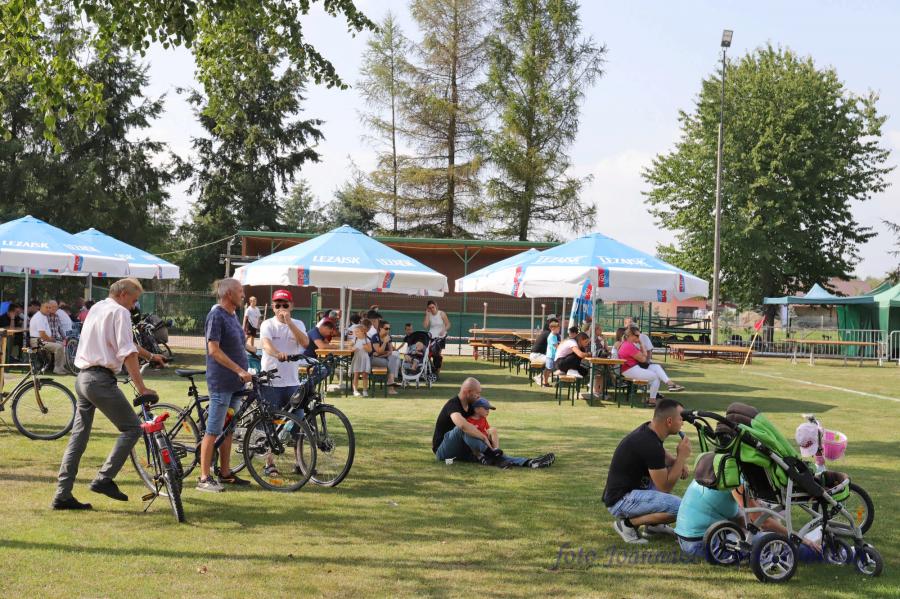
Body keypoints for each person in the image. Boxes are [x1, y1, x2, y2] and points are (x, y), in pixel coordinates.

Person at [52, 278, 165, 510]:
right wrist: (142, 388)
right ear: (123, 294)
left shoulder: (97, 308)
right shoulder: (120, 312)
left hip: (83, 378)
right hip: (100, 380)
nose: (134, 306)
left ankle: (62, 495)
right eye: (133, 300)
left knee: (78, 439)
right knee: (133, 428)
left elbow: (126, 344)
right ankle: (104, 479)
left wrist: (151, 356)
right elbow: (127, 352)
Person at [602, 398, 690, 544]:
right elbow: (665, 487)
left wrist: (676, 463)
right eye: (681, 419)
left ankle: (654, 526)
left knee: (670, 472)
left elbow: (662, 457)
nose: (683, 423)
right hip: (621, 499)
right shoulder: (649, 443)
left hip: (627, 492)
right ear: (669, 421)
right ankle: (627, 525)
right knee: (680, 507)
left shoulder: (649, 431)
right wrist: (681, 457)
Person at [675, 480, 822, 561]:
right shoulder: (735, 480)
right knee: (792, 547)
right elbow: (763, 522)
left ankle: (816, 538)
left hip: (687, 540)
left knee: (768, 537)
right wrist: (799, 538)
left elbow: (743, 518)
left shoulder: (717, 468)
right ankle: (824, 550)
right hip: (703, 544)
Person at [198, 278, 253, 492]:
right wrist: (239, 370)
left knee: (229, 429)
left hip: (236, 384)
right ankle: (204, 477)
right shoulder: (216, 315)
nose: (243, 295)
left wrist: (261, 353)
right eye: (240, 291)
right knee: (213, 429)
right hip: (222, 382)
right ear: (229, 294)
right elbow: (214, 350)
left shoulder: (233, 315)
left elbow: (239, 345)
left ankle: (225, 472)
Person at [432, 378, 555, 469]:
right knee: (463, 429)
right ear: (468, 392)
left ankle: (530, 462)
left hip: (463, 451)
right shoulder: (453, 405)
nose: (479, 396)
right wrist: (484, 438)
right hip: (444, 452)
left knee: (492, 455)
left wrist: (490, 436)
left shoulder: (470, 407)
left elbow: (480, 423)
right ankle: (492, 453)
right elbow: (463, 426)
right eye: (477, 393)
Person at [259, 289, 309, 410]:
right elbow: (266, 345)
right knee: (271, 418)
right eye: (278, 305)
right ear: (273, 307)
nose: (281, 308)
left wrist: (289, 323)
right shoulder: (267, 324)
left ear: (291, 306)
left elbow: (305, 343)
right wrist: (278, 354)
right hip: (271, 382)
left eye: (285, 305)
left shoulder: (298, 324)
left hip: (293, 382)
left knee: (297, 418)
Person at [618, 324, 684, 405]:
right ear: (630, 335)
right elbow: (643, 359)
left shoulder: (628, 344)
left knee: (656, 367)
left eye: (639, 335)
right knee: (656, 376)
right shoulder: (628, 346)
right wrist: (642, 344)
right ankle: (652, 400)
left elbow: (644, 357)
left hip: (632, 368)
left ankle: (670, 384)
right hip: (630, 370)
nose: (639, 337)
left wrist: (641, 346)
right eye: (637, 336)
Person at [29, 300, 68, 375]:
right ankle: (57, 369)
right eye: (46, 307)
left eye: (49, 308)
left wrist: (52, 339)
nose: (48, 309)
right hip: (38, 341)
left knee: (62, 345)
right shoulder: (39, 317)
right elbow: (42, 334)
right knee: (59, 347)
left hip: (42, 340)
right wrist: (51, 340)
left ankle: (62, 367)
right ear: (41, 307)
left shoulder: (43, 316)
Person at [370, 320, 401, 394]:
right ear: (380, 328)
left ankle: (390, 382)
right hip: (374, 359)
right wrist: (384, 342)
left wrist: (382, 354)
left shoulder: (388, 337)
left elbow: (390, 351)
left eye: (389, 329)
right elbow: (378, 351)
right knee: (393, 362)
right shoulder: (375, 337)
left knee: (393, 358)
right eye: (386, 328)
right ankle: (391, 386)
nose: (388, 330)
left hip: (383, 358)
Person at [423, 300, 450, 376]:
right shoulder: (429, 315)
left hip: (441, 337)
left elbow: (448, 324)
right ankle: (431, 369)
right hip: (431, 336)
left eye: (433, 307)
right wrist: (427, 315)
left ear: (436, 306)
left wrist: (444, 330)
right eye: (430, 308)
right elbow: (425, 326)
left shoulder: (441, 314)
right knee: (428, 353)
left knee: (437, 353)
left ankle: (437, 371)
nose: (432, 309)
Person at [529, 318, 558, 385]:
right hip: (537, 356)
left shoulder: (546, 333)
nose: (559, 327)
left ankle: (543, 378)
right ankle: (539, 377)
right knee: (554, 362)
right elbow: (555, 346)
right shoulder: (549, 334)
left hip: (536, 355)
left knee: (553, 362)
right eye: (557, 325)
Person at [349, 324, 372, 397]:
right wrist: (352, 348)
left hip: (364, 358)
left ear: (362, 332)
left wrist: (366, 348)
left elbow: (370, 350)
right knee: (356, 375)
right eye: (355, 332)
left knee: (365, 375)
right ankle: (355, 390)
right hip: (357, 358)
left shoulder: (367, 340)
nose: (356, 333)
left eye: (357, 331)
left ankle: (365, 390)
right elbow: (349, 346)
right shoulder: (355, 339)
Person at [543, 320, 561, 386]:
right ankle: (545, 382)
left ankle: (545, 382)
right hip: (550, 356)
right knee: (548, 369)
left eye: (559, 328)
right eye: (558, 328)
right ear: (552, 328)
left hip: (552, 355)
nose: (559, 330)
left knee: (549, 369)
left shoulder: (554, 336)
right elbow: (556, 346)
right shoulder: (552, 336)